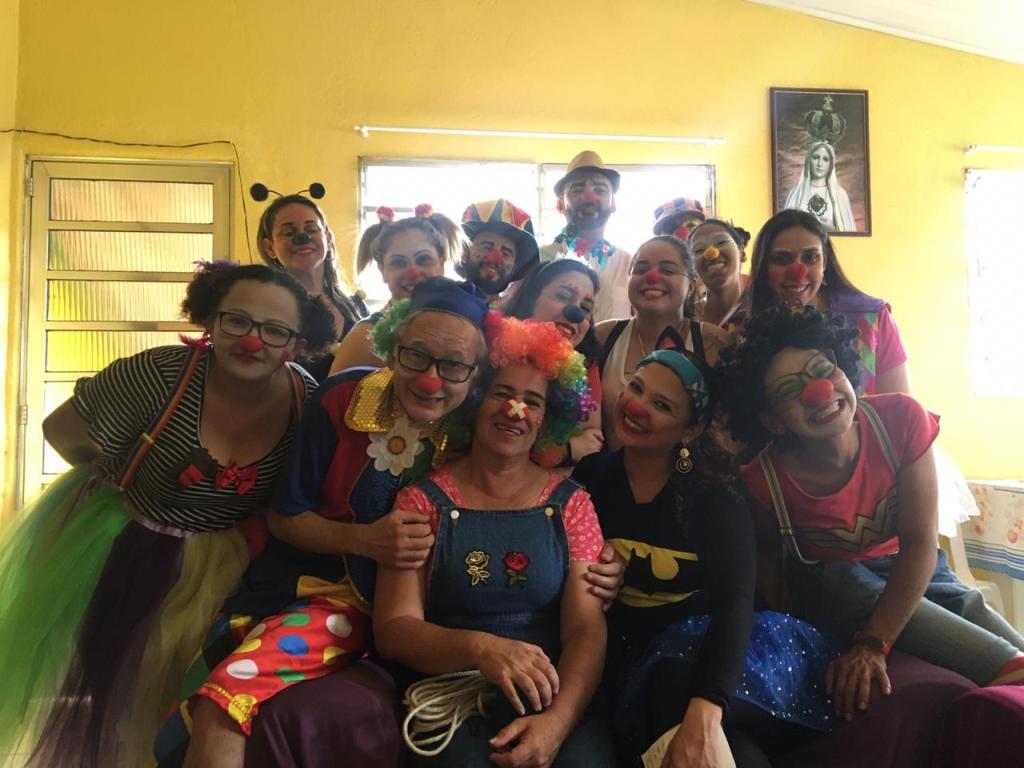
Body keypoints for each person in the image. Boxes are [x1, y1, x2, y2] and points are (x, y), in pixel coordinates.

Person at [0, 262, 334, 768]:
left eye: (274, 330)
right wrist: (117, 477)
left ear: (298, 342)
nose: (252, 341)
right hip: (126, 544)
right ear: (210, 319)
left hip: (225, 564)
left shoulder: (305, 399)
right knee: (117, 702)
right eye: (236, 321)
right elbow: (61, 432)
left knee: (189, 705)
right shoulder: (160, 373)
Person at [158, 277, 490, 767]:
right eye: (416, 355)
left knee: (224, 700)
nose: (430, 380)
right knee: (214, 698)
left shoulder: (481, 426)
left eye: (454, 365)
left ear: (476, 375)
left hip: (411, 621)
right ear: (392, 348)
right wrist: (366, 540)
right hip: (315, 593)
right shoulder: (343, 397)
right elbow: (285, 517)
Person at [717, 304, 1024, 724]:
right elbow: (770, 563)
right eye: (789, 390)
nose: (819, 391)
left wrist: (875, 643)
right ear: (772, 420)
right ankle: (1003, 671)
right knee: (837, 580)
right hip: (839, 590)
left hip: (917, 570)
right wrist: (832, 639)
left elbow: (919, 544)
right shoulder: (762, 482)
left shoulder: (901, 419)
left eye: (823, 369)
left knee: (976, 614)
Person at [574, 330, 834, 767]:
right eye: (636, 387)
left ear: (691, 429)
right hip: (628, 660)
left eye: (662, 405)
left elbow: (736, 603)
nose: (636, 406)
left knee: (679, 688)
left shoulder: (714, 495)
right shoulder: (592, 475)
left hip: (717, 658)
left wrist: (708, 704)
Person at [373, 314, 614, 767]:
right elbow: (394, 629)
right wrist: (481, 649)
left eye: (532, 401)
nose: (515, 410)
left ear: (547, 420)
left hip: (552, 700)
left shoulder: (573, 505)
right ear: (476, 400)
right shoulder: (420, 501)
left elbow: (586, 629)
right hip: (453, 702)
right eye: (502, 393)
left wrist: (557, 724)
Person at [743, 209, 906, 396]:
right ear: (764, 266)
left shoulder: (873, 318)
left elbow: (900, 407)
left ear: (825, 262)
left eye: (810, 257)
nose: (798, 271)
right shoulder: (750, 326)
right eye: (781, 259)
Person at [597, 235, 732, 451]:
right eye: (640, 269)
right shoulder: (603, 336)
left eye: (668, 270)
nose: (652, 277)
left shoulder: (715, 343)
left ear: (691, 286)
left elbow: (728, 435)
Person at [330, 204, 460, 373]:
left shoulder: (459, 326)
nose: (412, 272)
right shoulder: (366, 337)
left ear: (441, 264)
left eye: (423, 259)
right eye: (398, 262)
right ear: (383, 271)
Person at [256, 191, 367, 380]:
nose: (302, 237)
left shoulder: (356, 307)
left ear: (328, 239)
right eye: (288, 232)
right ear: (270, 247)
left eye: (312, 228)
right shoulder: (263, 314)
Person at [505, 258, 604, 465]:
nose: (576, 313)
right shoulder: (493, 351)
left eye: (586, 308)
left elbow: (592, 436)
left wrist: (562, 452)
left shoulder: (585, 365)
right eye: (563, 296)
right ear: (532, 297)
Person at [541, 151, 632, 322]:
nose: (589, 197)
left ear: (613, 204)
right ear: (560, 204)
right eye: (577, 189)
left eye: (600, 190)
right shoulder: (539, 258)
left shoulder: (630, 264)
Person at [458, 198, 540, 306]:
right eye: (486, 246)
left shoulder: (518, 313)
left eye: (506, 253)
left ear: (514, 268)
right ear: (465, 252)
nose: (495, 258)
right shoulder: (441, 299)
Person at [687, 219, 751, 331]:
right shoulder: (686, 319)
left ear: (741, 252)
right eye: (699, 250)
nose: (711, 253)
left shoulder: (764, 309)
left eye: (722, 242)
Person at [783, 141, 856, 232]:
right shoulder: (796, 193)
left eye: (825, 159)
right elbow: (786, 229)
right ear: (809, 160)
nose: (820, 164)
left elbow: (848, 231)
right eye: (816, 158)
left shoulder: (840, 194)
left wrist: (831, 229)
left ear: (831, 164)